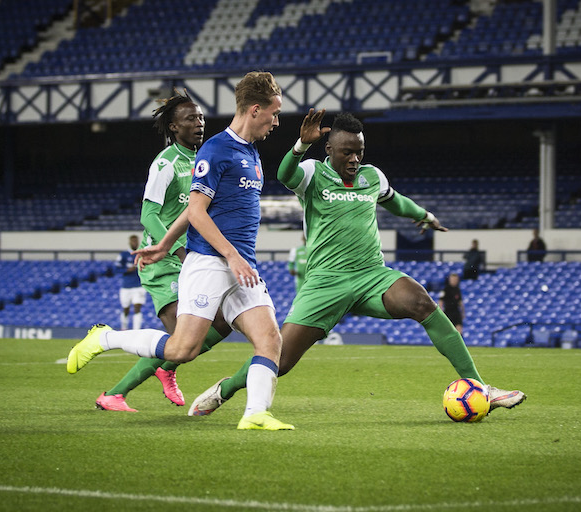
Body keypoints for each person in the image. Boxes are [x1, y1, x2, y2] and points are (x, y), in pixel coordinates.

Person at [184, 110, 526, 418]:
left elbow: (395, 201)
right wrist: (302, 144)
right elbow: (285, 175)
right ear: (329, 150)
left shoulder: (371, 177)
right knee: (281, 360)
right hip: (325, 283)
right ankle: (224, 390)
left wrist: (424, 216)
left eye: (359, 151)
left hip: (371, 276)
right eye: (347, 151)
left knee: (422, 302)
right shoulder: (312, 173)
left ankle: (481, 387)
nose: (354, 158)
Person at [67, 72, 293, 430]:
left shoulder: (251, 152)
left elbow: (192, 209)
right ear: (254, 109)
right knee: (181, 350)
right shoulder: (217, 149)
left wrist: (167, 243)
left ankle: (256, 414)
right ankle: (104, 338)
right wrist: (224, 255)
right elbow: (198, 211)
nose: (276, 122)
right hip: (210, 264)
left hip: (241, 266)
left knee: (270, 339)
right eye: (274, 113)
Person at [93, 89, 231, 413]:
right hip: (163, 261)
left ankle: (154, 373)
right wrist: (177, 250)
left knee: (224, 321)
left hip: (195, 258)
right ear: (173, 127)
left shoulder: (204, 161)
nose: (198, 123)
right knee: (183, 339)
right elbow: (148, 215)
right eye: (189, 119)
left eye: (200, 117)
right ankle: (116, 385)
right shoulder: (165, 164)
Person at [117, 235, 146, 331]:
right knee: (126, 309)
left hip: (139, 286)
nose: (134, 243)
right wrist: (127, 270)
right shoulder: (123, 255)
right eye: (133, 241)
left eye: (136, 241)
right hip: (126, 286)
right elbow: (116, 269)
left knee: (137, 308)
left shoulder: (142, 254)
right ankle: (124, 328)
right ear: (129, 242)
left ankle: (136, 331)